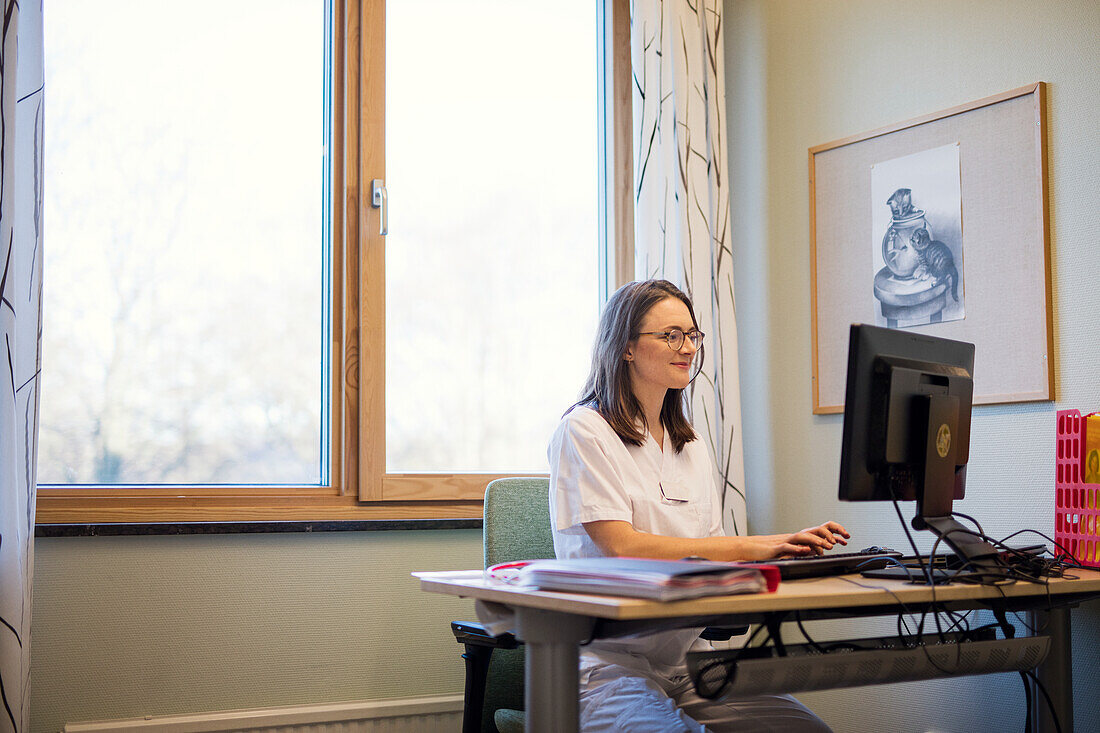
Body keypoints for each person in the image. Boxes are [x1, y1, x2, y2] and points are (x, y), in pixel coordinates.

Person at [548, 279, 848, 732]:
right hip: (606, 665)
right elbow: (622, 548)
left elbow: (707, 549)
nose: (687, 347)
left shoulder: (691, 444)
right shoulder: (584, 432)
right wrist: (759, 546)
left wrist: (785, 558)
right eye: (671, 335)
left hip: (688, 661)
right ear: (626, 347)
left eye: (692, 335)